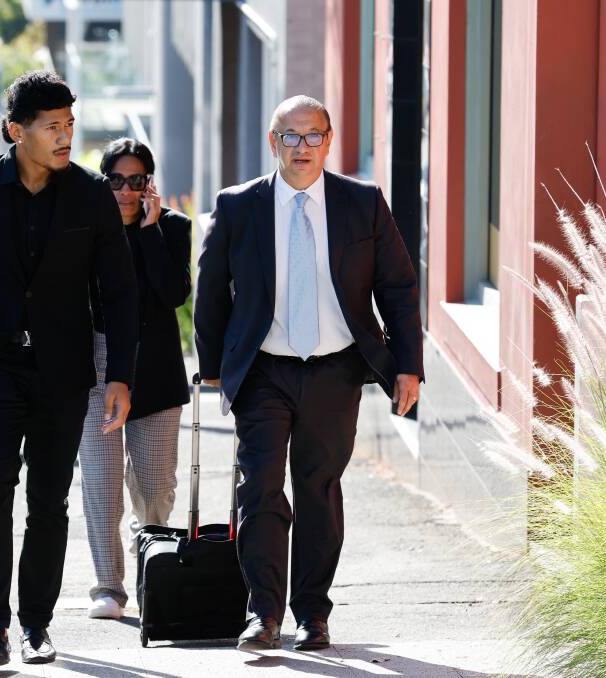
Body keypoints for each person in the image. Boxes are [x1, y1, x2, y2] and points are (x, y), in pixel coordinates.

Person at [194, 95, 424, 652]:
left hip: (335, 370)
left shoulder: (362, 203)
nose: (302, 147)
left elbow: (396, 285)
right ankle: (264, 615)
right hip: (264, 371)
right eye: (290, 137)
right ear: (273, 142)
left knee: (318, 491)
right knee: (262, 489)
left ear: (329, 140)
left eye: (313, 135)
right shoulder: (238, 204)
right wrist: (214, 369)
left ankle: (312, 615)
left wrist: (409, 366)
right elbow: (210, 292)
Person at [0, 71, 138, 668]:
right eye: (53, 127)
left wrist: (120, 374)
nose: (66, 136)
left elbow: (119, 289)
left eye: (70, 124)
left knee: (49, 500)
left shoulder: (92, 193)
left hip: (64, 370)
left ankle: (37, 625)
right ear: (18, 131)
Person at [79, 138, 192, 620]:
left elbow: (172, 293)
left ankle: (154, 569)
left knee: (155, 483)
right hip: (97, 365)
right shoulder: (85, 230)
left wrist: (148, 231)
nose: (127, 190)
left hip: (157, 369)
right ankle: (109, 585)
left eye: (137, 180)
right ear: (104, 183)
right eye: (117, 180)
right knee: (102, 480)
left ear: (150, 185)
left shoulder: (173, 227)